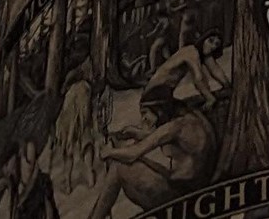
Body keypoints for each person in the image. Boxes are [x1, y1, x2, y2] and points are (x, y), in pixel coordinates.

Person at [87, 93, 218, 218]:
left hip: (181, 194)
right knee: (133, 157)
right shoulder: (190, 121)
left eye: (145, 112)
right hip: (193, 185)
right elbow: (164, 139)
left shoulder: (174, 127)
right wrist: (136, 133)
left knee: (119, 166)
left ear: (158, 109)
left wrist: (108, 152)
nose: (143, 119)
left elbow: (133, 154)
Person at [139, 31, 228, 111]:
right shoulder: (191, 52)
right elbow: (198, 78)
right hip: (153, 94)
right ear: (203, 39)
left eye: (216, 44)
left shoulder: (204, 55)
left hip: (165, 93)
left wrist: (227, 85)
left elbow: (215, 70)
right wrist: (210, 98)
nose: (212, 46)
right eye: (210, 41)